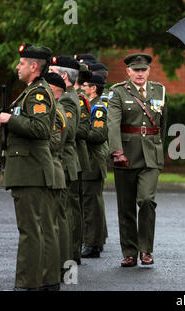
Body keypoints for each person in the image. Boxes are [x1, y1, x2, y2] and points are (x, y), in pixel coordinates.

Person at [0, 43, 58, 290]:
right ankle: (47, 280)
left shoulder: (38, 94)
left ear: (34, 66)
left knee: (30, 230)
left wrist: (10, 118)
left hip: (30, 170)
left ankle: (27, 283)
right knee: (40, 228)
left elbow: (41, 129)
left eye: (21, 63)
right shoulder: (32, 91)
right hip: (31, 169)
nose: (17, 67)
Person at [108, 53, 167, 267]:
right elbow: (112, 123)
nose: (140, 74)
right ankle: (130, 252)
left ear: (148, 71)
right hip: (126, 154)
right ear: (128, 72)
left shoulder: (159, 90)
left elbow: (163, 123)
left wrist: (160, 148)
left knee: (146, 200)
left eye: (144, 70)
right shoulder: (118, 92)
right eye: (136, 70)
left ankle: (146, 250)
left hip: (151, 154)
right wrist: (116, 151)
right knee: (126, 206)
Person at [49, 55, 88, 265]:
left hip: (65, 161)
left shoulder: (66, 98)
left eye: (53, 74)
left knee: (66, 213)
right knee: (68, 211)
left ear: (64, 76)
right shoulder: (70, 96)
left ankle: (68, 257)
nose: (48, 77)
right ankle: (70, 256)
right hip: (67, 161)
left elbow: (68, 131)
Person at [44, 72, 69, 286]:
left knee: (55, 222)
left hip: (53, 169)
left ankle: (60, 267)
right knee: (57, 220)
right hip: (53, 168)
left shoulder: (56, 112)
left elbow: (54, 142)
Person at [81, 74, 109, 258]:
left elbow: (98, 134)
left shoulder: (98, 107)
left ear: (93, 88)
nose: (82, 87)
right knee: (89, 204)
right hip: (88, 161)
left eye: (84, 85)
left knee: (92, 206)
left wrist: (79, 132)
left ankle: (92, 244)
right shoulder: (89, 104)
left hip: (92, 161)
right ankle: (93, 241)